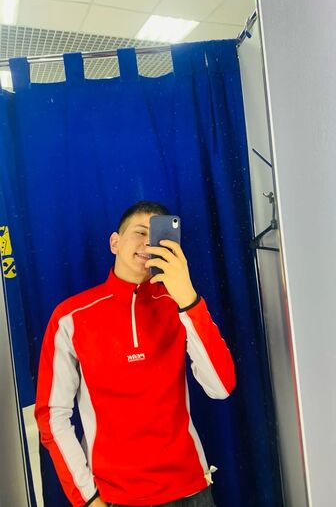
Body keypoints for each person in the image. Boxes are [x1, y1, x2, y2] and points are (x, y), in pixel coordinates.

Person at [35, 201, 236, 507]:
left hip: (191, 491)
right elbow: (52, 416)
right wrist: (87, 498)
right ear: (115, 243)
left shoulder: (180, 304)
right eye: (140, 232)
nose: (148, 244)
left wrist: (187, 297)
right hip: (116, 498)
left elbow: (221, 387)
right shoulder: (70, 317)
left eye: (158, 237)